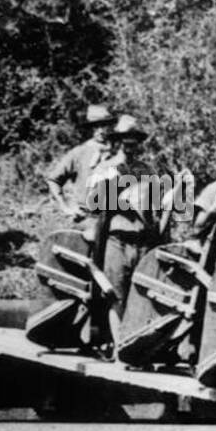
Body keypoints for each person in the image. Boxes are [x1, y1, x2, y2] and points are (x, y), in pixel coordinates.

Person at [85, 115, 158, 313]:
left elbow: (156, 209)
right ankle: (116, 342)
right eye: (125, 139)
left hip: (142, 242)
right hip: (116, 240)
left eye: (133, 139)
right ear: (117, 141)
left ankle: (130, 341)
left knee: (141, 297)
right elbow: (93, 205)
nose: (129, 144)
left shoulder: (147, 171)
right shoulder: (105, 169)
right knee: (115, 296)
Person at [44, 103, 117, 227]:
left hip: (114, 218)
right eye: (96, 126)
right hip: (87, 218)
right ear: (91, 128)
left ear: (110, 127)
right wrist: (66, 207)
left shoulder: (118, 153)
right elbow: (54, 180)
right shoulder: (79, 152)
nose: (100, 130)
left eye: (104, 126)